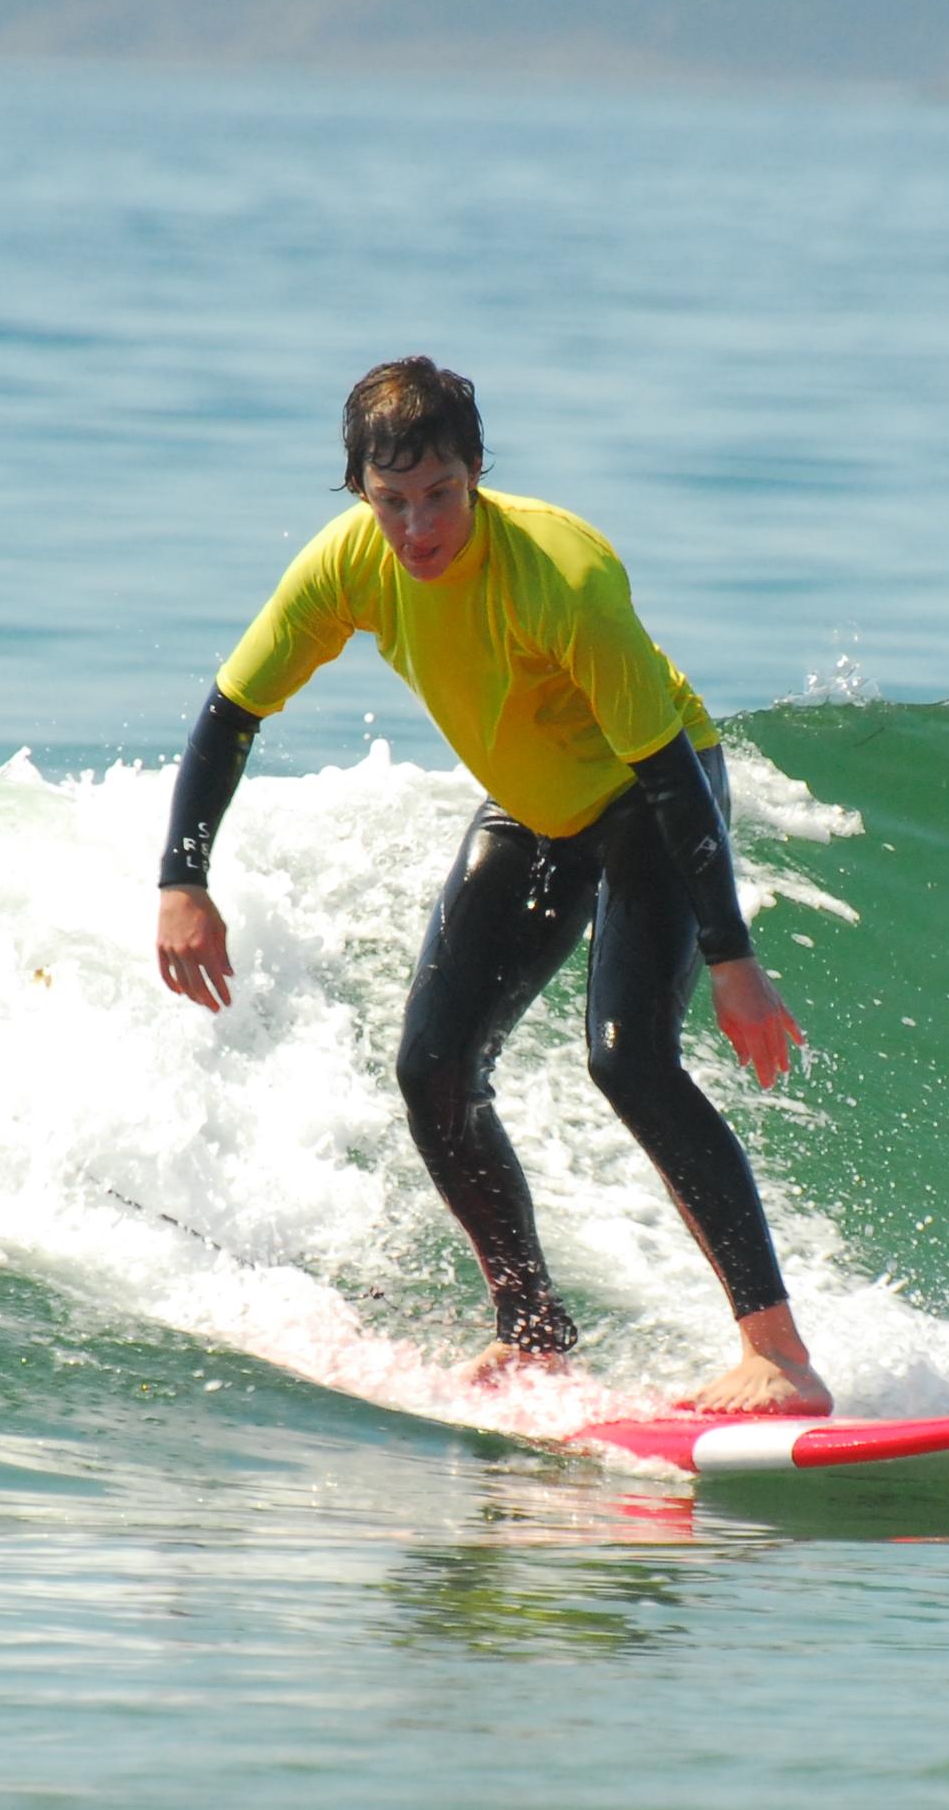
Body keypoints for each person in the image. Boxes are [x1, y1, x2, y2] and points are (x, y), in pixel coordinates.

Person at [153, 358, 832, 1414]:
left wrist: (731, 960)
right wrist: (182, 880)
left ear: (477, 473)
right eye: (392, 503)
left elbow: (667, 777)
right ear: (358, 493)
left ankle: (780, 1359)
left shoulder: (561, 575)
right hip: (535, 808)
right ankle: (533, 1332)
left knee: (630, 1060)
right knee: (432, 1068)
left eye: (440, 497)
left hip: (650, 796)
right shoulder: (347, 566)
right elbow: (231, 711)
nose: (418, 528)